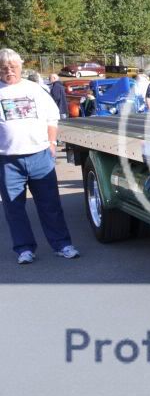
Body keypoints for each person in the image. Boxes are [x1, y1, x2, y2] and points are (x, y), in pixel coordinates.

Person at [0, 48, 80, 264]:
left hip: (39, 156)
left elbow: (52, 118)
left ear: (21, 67)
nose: (9, 71)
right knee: (14, 208)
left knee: (50, 204)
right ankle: (24, 249)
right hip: (8, 160)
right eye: (4, 67)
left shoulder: (34, 89)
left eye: (13, 66)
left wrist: (52, 144)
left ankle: (62, 244)